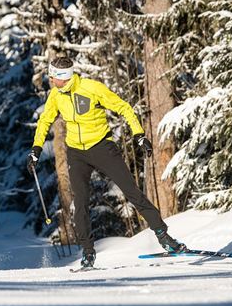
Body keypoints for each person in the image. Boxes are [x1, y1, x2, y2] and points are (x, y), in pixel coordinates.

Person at [27, 57, 186, 269]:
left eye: (53, 75)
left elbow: (124, 108)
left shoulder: (91, 88)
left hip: (102, 147)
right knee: (80, 203)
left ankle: (164, 237)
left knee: (132, 193)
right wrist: (36, 150)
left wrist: (139, 135)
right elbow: (45, 120)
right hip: (76, 152)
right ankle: (88, 253)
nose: (50, 78)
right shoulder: (56, 95)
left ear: (63, 77)